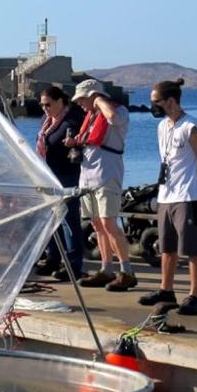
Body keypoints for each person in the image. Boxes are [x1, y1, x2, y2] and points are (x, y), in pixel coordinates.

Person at [139, 78, 197, 315]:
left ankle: (195, 296)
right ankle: (166, 290)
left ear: (170, 101)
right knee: (166, 247)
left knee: (192, 248)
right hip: (166, 195)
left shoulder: (190, 126)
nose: (153, 107)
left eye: (156, 102)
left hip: (188, 196)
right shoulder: (163, 127)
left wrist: (195, 186)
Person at [65, 79, 136, 291]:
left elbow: (112, 117)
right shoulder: (92, 117)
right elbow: (87, 140)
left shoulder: (117, 112)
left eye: (83, 99)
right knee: (97, 224)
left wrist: (99, 100)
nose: (79, 103)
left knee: (109, 223)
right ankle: (107, 269)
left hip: (107, 175)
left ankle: (127, 270)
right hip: (88, 176)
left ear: (95, 96)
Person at [34, 86, 85, 280]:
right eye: (42, 105)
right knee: (49, 219)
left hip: (67, 175)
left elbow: (79, 146)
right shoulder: (47, 121)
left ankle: (73, 264)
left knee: (68, 219)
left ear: (60, 101)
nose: (44, 108)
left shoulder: (72, 120)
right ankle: (52, 257)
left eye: (48, 104)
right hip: (47, 175)